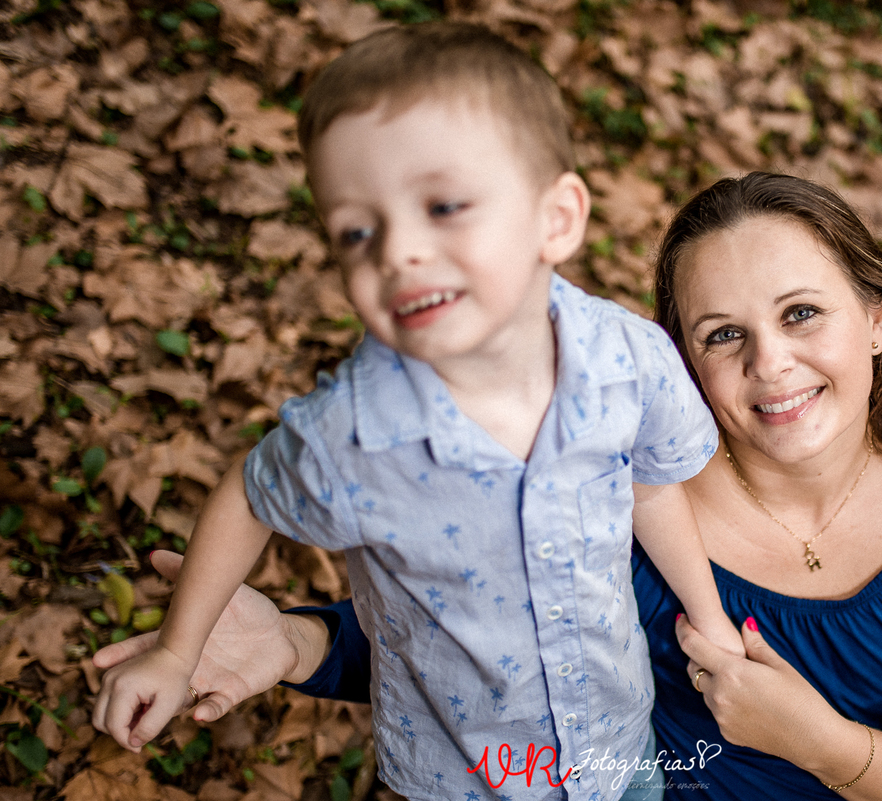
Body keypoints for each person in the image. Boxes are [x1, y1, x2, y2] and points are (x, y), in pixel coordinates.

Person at [95, 173, 882, 801]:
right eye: (724, 335)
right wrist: (293, 641)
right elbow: (488, 646)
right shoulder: (617, 498)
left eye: (802, 314)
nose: (773, 365)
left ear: (877, 321)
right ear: (678, 362)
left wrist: (818, 741)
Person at [91, 22, 747, 801]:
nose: (396, 251)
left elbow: (651, 488)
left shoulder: (625, 362)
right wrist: (177, 648)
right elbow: (247, 493)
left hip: (615, 740)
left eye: (443, 205)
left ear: (556, 219)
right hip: (457, 775)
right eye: (357, 231)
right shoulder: (354, 433)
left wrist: (709, 619)